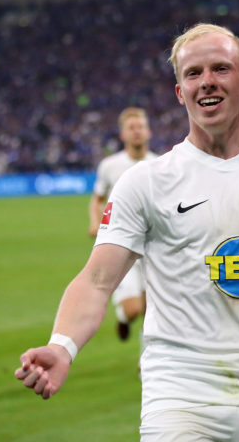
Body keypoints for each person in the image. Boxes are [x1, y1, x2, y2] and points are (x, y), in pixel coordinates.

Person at [16, 23, 239, 441]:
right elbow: (97, 280)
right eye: (193, 73)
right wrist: (61, 346)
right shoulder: (146, 181)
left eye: (220, 68)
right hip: (179, 395)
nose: (207, 82)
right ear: (180, 92)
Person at [88, 106, 156, 341]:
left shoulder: (159, 163)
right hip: (122, 246)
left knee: (152, 312)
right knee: (133, 309)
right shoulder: (110, 165)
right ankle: (123, 317)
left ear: (148, 132)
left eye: (141, 127)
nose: (136, 131)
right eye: (131, 128)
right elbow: (97, 199)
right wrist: (95, 222)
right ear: (123, 134)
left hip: (152, 247)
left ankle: (146, 358)